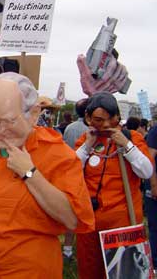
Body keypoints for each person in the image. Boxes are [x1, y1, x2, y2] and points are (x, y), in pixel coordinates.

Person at [0, 72, 95, 278]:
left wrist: (30, 174)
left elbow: (73, 219)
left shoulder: (58, 155)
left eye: (8, 120)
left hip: (28, 270)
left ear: (34, 114)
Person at [75, 92, 153, 279]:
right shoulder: (86, 140)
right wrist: (86, 146)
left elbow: (147, 171)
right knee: (90, 269)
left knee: (122, 273)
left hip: (121, 225)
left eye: (105, 120)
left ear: (116, 117)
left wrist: (126, 145)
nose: (101, 125)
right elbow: (70, 170)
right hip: (89, 224)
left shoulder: (132, 138)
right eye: (95, 120)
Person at [61, 98, 89, 259]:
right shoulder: (92, 130)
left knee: (71, 211)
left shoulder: (70, 128)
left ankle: (67, 248)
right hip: (87, 175)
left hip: (70, 174)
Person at [145, 125, 157, 270]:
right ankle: (154, 263)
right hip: (154, 186)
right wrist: (154, 185)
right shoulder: (155, 132)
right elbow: (150, 158)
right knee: (155, 226)